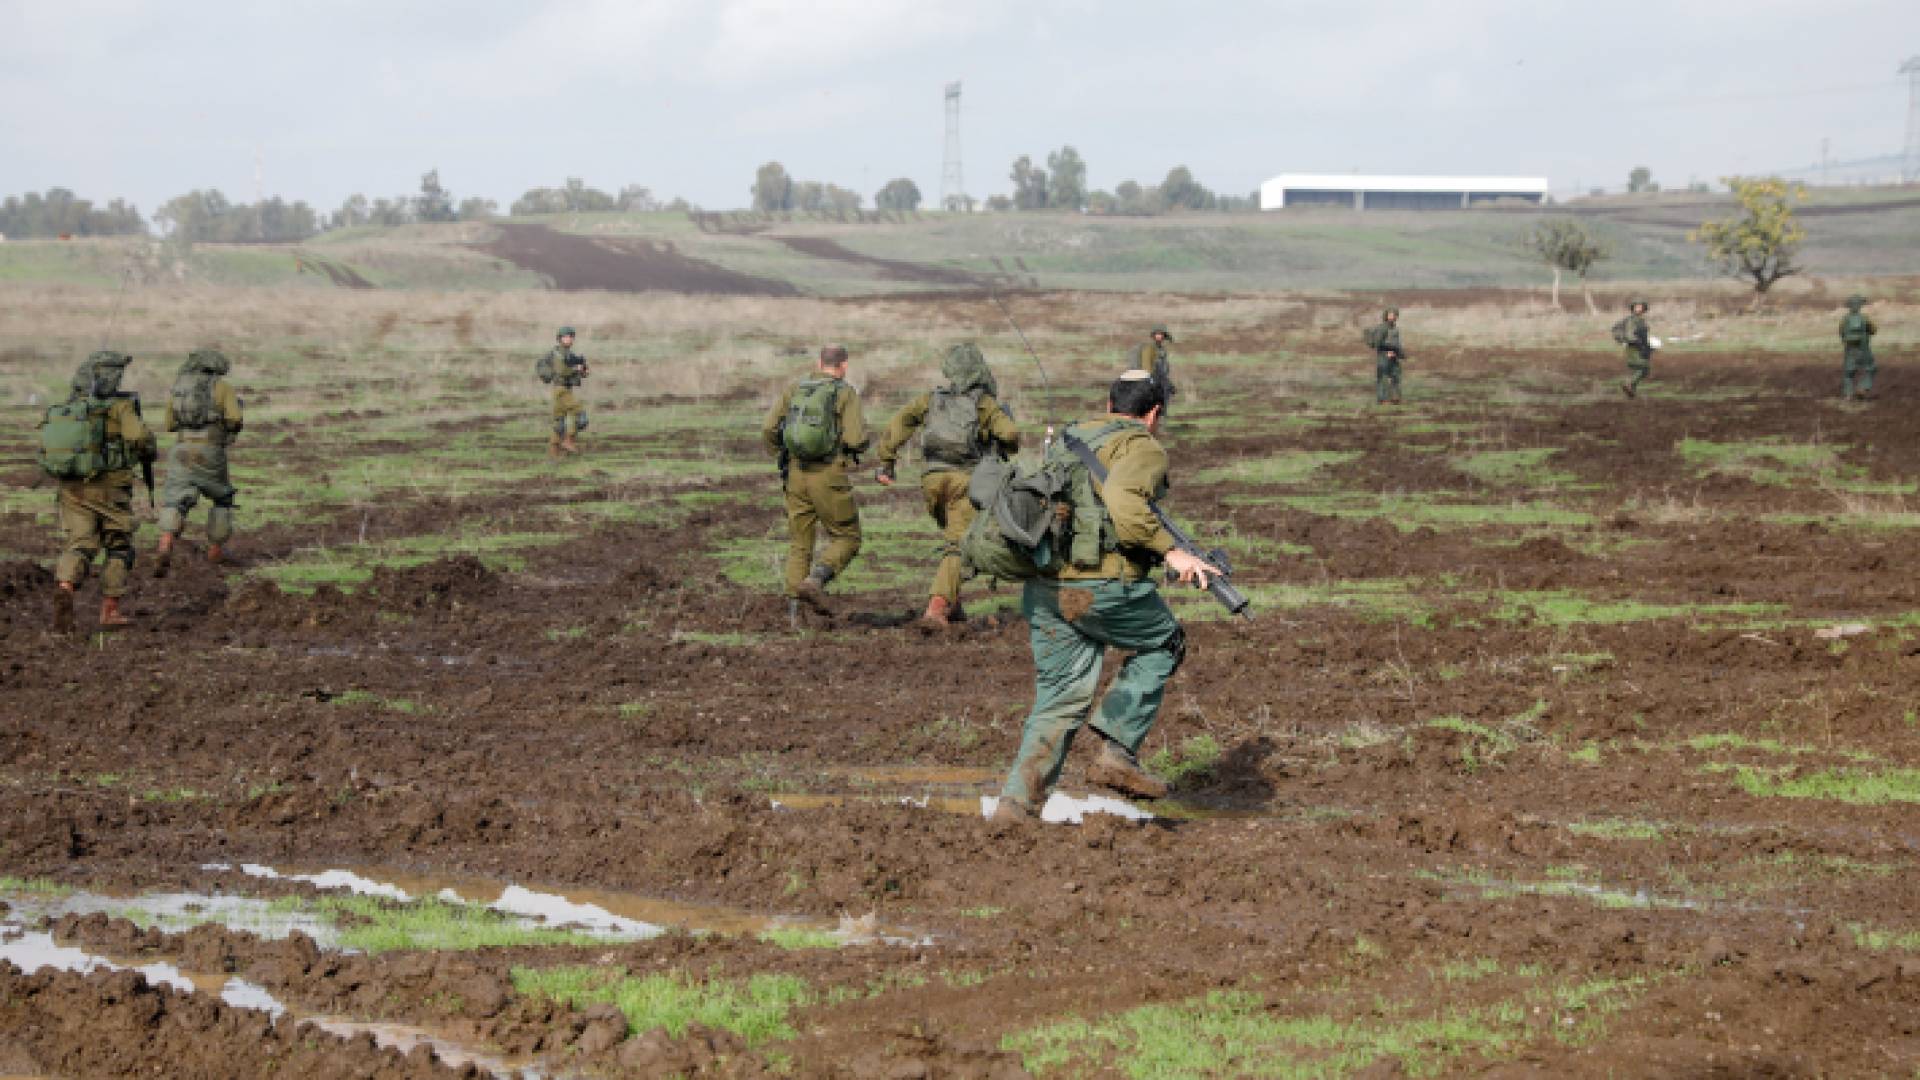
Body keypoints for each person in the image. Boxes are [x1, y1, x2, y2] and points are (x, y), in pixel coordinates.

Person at [990, 369, 1220, 826]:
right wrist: (1173, 554)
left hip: (1046, 589)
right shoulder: (1143, 447)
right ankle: (1117, 749)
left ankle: (1015, 808)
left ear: (1110, 404)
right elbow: (1122, 499)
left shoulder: (1070, 438)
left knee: (1057, 699)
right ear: (1153, 414)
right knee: (1164, 642)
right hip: (1101, 589)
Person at [875, 343, 1020, 627]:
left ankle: (953, 605)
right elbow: (1010, 433)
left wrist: (886, 461)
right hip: (965, 482)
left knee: (953, 537)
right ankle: (937, 608)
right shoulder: (984, 403)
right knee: (959, 545)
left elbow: (899, 422)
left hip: (931, 481)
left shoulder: (931, 399)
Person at [47, 351, 156, 632]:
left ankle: (65, 588)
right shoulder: (120, 407)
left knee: (81, 543)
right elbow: (138, 438)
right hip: (109, 490)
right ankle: (110, 610)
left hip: (72, 489)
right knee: (119, 546)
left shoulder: (72, 406)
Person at [762, 345, 869, 619]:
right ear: (843, 366)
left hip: (795, 475)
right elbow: (856, 439)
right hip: (828, 475)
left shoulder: (795, 388)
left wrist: (782, 455)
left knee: (800, 543)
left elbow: (769, 429)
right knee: (848, 537)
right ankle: (817, 579)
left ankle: (794, 613)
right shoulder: (845, 393)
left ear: (819, 363)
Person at [154, 348, 244, 574]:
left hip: (181, 451)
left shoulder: (180, 388)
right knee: (222, 498)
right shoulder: (222, 387)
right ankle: (215, 549)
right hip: (210, 451)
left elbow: (169, 424)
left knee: (175, 499)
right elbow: (234, 419)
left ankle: (165, 541)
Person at [542, 326, 589, 456]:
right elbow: (562, 371)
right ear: (559, 339)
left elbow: (576, 372)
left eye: (570, 337)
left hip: (565, 389)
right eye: (565, 337)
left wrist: (583, 371)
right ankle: (569, 441)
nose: (568, 339)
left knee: (559, 422)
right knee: (579, 414)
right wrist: (576, 368)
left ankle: (554, 453)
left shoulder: (569, 355)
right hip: (561, 390)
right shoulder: (558, 354)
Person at [1840, 295, 1878, 401]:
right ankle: (1863, 387)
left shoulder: (1844, 319)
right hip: (1863, 349)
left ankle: (1848, 394)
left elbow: (1842, 333)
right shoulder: (1864, 318)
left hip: (1850, 349)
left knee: (1848, 372)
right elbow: (1873, 330)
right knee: (1871, 368)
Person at [1365, 307, 1407, 404]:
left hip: (1394, 355)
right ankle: (1383, 399)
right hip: (1384, 356)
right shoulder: (1383, 328)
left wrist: (1401, 354)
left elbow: (1397, 343)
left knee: (1396, 376)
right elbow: (1377, 343)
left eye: (1394, 315)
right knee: (1383, 377)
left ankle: (1395, 397)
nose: (1392, 317)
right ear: (1386, 316)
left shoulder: (1395, 328)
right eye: (1390, 315)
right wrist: (1388, 350)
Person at [1619, 298, 1654, 398]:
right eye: (1636, 307)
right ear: (1633, 308)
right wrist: (1636, 342)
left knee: (1642, 369)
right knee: (1643, 367)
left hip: (1640, 347)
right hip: (1634, 347)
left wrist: (1648, 346)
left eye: (1640, 307)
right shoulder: (1632, 320)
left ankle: (1631, 390)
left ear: (1643, 309)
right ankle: (1629, 383)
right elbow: (1630, 334)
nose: (1639, 309)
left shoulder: (1641, 320)